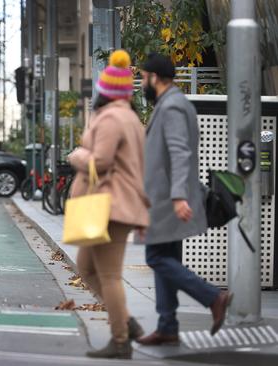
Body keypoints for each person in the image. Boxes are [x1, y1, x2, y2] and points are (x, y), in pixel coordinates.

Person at [137, 52, 233, 346]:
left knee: (156, 258)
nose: (142, 84)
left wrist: (178, 196)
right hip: (165, 198)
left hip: (168, 200)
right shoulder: (172, 104)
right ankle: (167, 326)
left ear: (154, 77)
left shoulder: (173, 106)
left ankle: (212, 297)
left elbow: (180, 152)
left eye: (142, 77)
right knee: (167, 259)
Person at [67, 50, 149, 359]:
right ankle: (125, 322)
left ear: (106, 90)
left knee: (109, 275)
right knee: (86, 268)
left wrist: (76, 155)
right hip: (109, 204)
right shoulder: (129, 118)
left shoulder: (113, 118)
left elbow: (100, 161)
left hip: (109, 206)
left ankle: (120, 339)